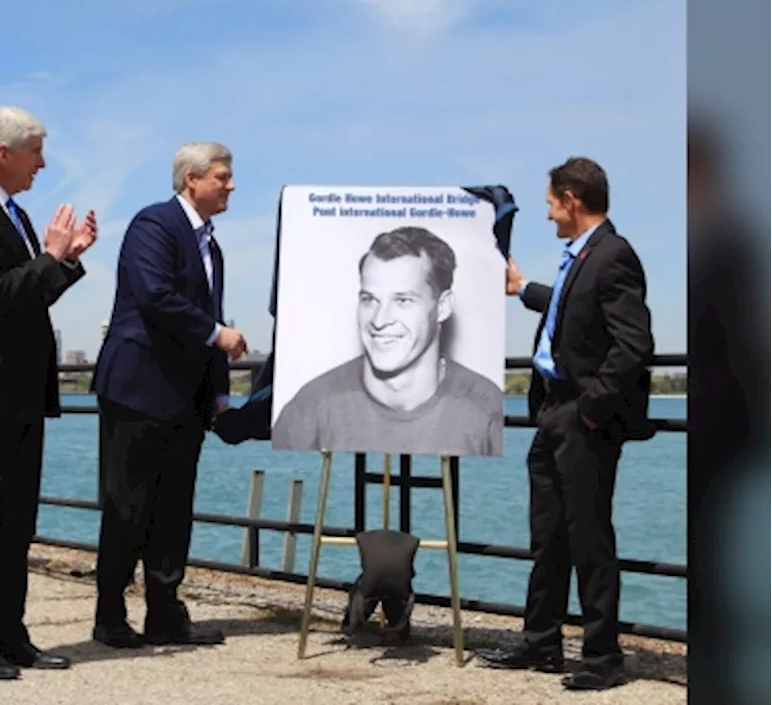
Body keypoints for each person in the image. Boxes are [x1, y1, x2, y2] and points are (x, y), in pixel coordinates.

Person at [479, 157, 654, 691]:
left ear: (572, 200)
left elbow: (633, 344)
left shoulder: (614, 255)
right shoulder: (582, 257)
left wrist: (591, 407)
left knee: (589, 537)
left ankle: (602, 657)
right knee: (549, 534)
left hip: (581, 417)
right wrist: (523, 287)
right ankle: (541, 643)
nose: (549, 213)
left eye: (552, 203)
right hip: (553, 413)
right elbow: (571, 309)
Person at [0, 105, 98, 680]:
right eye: (35, 151)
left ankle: (10, 632)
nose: (43, 162)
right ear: (4, 153)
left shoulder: (16, 213)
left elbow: (30, 295)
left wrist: (66, 259)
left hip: (25, 387)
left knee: (16, 518)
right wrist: (51, 257)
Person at [89, 141, 247, 649]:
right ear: (191, 180)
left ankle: (165, 614)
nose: (231, 186)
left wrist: (219, 390)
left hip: (186, 395)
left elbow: (212, 311)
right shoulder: (153, 225)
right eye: (222, 177)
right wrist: (218, 335)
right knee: (126, 507)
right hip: (138, 389)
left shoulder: (213, 246)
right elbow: (157, 296)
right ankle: (110, 617)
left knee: (175, 510)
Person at [270, 225, 503, 457]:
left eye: (403, 300)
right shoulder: (311, 407)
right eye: (369, 300)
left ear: (442, 307)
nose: (379, 320)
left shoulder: (486, 409)